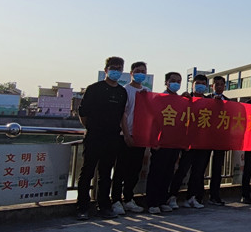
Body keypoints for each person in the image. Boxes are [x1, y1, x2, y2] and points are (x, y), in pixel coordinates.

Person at [76, 56, 128, 220]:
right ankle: (82, 207)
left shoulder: (121, 92)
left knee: (106, 174)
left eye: (119, 68)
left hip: (112, 137)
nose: (116, 71)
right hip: (94, 136)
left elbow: (122, 115)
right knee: (87, 172)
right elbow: (83, 113)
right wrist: (92, 128)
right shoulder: (94, 89)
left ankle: (104, 206)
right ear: (106, 70)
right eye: (113, 68)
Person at [167, 74, 211, 210]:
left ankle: (191, 197)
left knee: (198, 171)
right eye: (198, 83)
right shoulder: (185, 99)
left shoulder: (209, 102)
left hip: (203, 142)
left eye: (203, 84)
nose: (200, 86)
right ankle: (172, 196)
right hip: (188, 142)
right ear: (192, 85)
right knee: (182, 170)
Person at [111, 61, 149, 215]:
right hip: (124, 136)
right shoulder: (125, 90)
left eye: (143, 71)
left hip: (140, 137)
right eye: (138, 71)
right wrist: (126, 135)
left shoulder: (146, 91)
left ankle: (128, 199)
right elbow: (123, 114)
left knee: (134, 170)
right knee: (120, 169)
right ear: (131, 73)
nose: (141, 74)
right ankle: (115, 200)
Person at [146, 72, 184, 214]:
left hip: (174, 142)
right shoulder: (159, 99)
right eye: (173, 80)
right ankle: (152, 202)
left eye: (178, 81)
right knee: (157, 171)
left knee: (168, 172)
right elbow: (152, 121)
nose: (176, 83)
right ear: (166, 82)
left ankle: (162, 200)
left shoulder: (180, 100)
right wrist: (153, 140)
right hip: (160, 142)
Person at [206, 76, 230, 206]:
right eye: (217, 84)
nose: (219, 86)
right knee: (201, 167)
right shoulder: (205, 100)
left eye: (222, 84)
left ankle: (215, 195)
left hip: (221, 140)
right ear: (212, 86)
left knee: (217, 168)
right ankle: (196, 196)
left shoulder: (228, 102)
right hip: (205, 139)